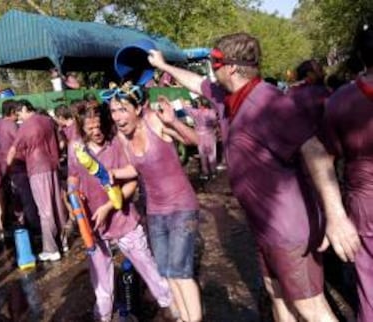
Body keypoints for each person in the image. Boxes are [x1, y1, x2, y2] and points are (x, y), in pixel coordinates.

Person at [148, 32, 360, 321]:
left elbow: (315, 151)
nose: (212, 69)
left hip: (289, 230)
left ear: (231, 67)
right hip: (264, 228)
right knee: (277, 294)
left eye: (215, 62)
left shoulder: (268, 101)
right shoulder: (228, 97)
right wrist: (163, 66)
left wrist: (336, 218)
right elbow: (196, 83)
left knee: (312, 308)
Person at [103, 82, 202, 322]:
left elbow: (195, 140)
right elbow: (134, 169)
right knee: (166, 271)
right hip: (156, 211)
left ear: (137, 109)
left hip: (182, 207)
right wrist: (113, 174)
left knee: (180, 271)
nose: (117, 116)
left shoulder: (154, 122)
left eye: (122, 109)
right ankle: (184, 318)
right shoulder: (122, 138)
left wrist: (174, 122)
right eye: (114, 111)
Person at [68, 105, 175, 322]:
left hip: (123, 220)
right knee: (101, 283)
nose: (96, 132)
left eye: (99, 126)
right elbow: (73, 177)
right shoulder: (75, 147)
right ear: (81, 128)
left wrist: (108, 207)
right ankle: (104, 316)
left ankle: (172, 307)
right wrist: (72, 200)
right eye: (90, 128)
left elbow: (132, 184)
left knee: (150, 271)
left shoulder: (117, 143)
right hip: (93, 226)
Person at [322, 24, 373, 322]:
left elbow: (326, 158)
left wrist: (333, 213)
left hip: (363, 205)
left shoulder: (338, 101)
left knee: (368, 284)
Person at [7, 100, 67, 261]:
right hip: (53, 166)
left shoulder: (26, 126)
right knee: (57, 206)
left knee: (45, 211)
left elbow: (13, 150)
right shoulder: (48, 121)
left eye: (19, 114)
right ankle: (64, 242)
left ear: (25, 108)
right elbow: (61, 143)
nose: (19, 118)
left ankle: (51, 249)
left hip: (37, 170)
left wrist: (8, 169)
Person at [0, 100, 39, 232]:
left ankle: (22, 225)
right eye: (17, 112)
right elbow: (22, 141)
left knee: (17, 200)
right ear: (12, 112)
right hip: (18, 166)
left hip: (7, 167)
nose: (19, 115)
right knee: (27, 199)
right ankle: (35, 228)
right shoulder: (11, 125)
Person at [182, 98, 218, 180]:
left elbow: (185, 108)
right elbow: (215, 123)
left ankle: (205, 173)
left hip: (199, 135)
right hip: (210, 134)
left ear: (201, 104)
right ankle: (213, 172)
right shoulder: (211, 112)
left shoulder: (196, 112)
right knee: (212, 154)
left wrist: (182, 101)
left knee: (202, 154)